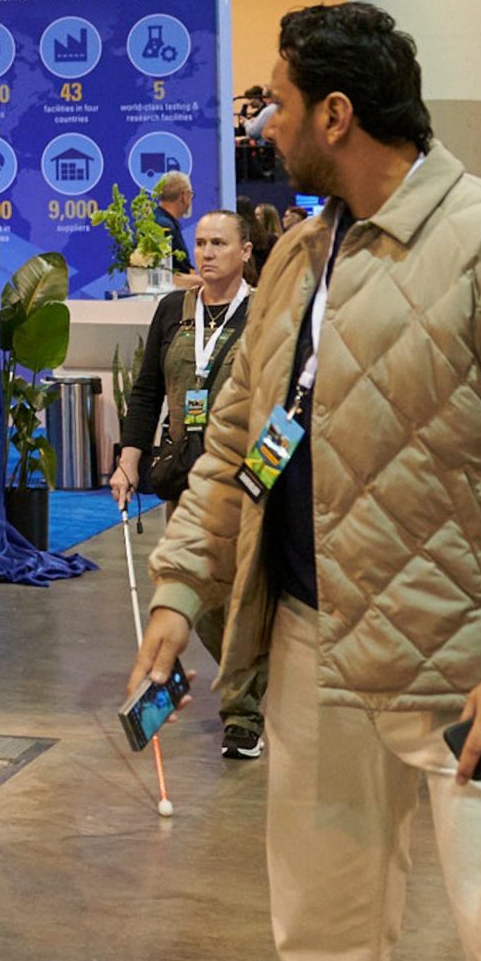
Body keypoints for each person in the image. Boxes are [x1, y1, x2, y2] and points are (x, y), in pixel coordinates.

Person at [128, 2, 481, 961]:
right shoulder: (297, 258)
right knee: (321, 952)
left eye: (279, 101)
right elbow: (240, 444)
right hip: (311, 661)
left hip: (474, 676)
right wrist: (180, 590)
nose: (263, 122)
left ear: (336, 115)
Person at [111, 208, 267, 758]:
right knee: (202, 601)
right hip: (186, 478)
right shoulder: (172, 310)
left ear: (245, 252)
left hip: (251, 479)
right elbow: (147, 391)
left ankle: (243, 714)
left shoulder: (266, 312)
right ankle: (252, 681)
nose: (206, 252)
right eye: (200, 242)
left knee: (247, 597)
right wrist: (129, 460)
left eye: (219, 243)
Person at [150, 171, 195, 273]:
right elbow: (170, 273)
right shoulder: (165, 226)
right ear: (185, 196)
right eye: (191, 195)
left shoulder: (155, 219)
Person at [248, 201, 284, 285]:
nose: (254, 218)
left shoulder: (275, 240)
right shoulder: (256, 238)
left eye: (258, 215)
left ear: (268, 218)